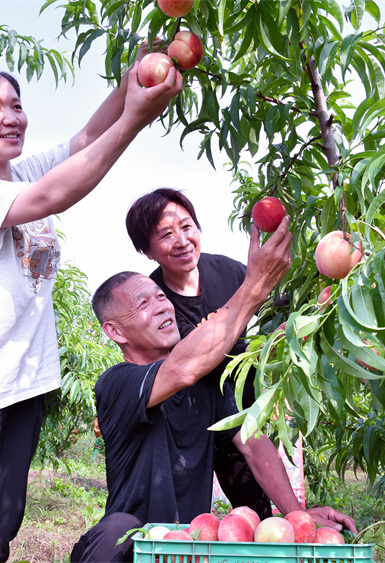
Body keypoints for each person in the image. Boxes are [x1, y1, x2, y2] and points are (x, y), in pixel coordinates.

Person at [0, 54, 183, 563]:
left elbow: (85, 142)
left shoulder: (20, 173)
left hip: (21, 388)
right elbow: (57, 193)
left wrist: (139, 70)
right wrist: (137, 119)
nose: (12, 117)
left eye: (17, 105)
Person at [71, 218, 357, 562]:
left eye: (161, 297)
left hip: (185, 543)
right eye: (143, 304)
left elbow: (252, 445)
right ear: (116, 332)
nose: (162, 305)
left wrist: (298, 515)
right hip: (130, 546)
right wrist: (254, 286)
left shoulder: (209, 383)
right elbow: (183, 367)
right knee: (116, 530)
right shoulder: (118, 383)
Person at [126, 188, 273, 518]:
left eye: (187, 226)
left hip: (244, 413)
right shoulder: (156, 301)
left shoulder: (231, 273)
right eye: (165, 234)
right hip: (192, 420)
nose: (181, 241)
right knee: (182, 519)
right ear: (147, 251)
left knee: (258, 514)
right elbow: (199, 361)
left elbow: (275, 312)